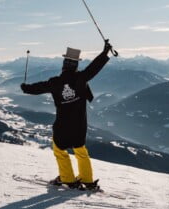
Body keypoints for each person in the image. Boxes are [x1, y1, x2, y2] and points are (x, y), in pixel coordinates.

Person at [20, 40, 112, 189]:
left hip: (62, 125)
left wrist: (26, 88)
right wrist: (105, 52)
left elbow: (38, 88)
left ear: (64, 64)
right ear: (75, 65)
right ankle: (87, 179)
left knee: (59, 150)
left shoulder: (55, 82)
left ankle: (68, 178)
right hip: (80, 124)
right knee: (81, 150)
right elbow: (94, 68)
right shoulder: (81, 78)